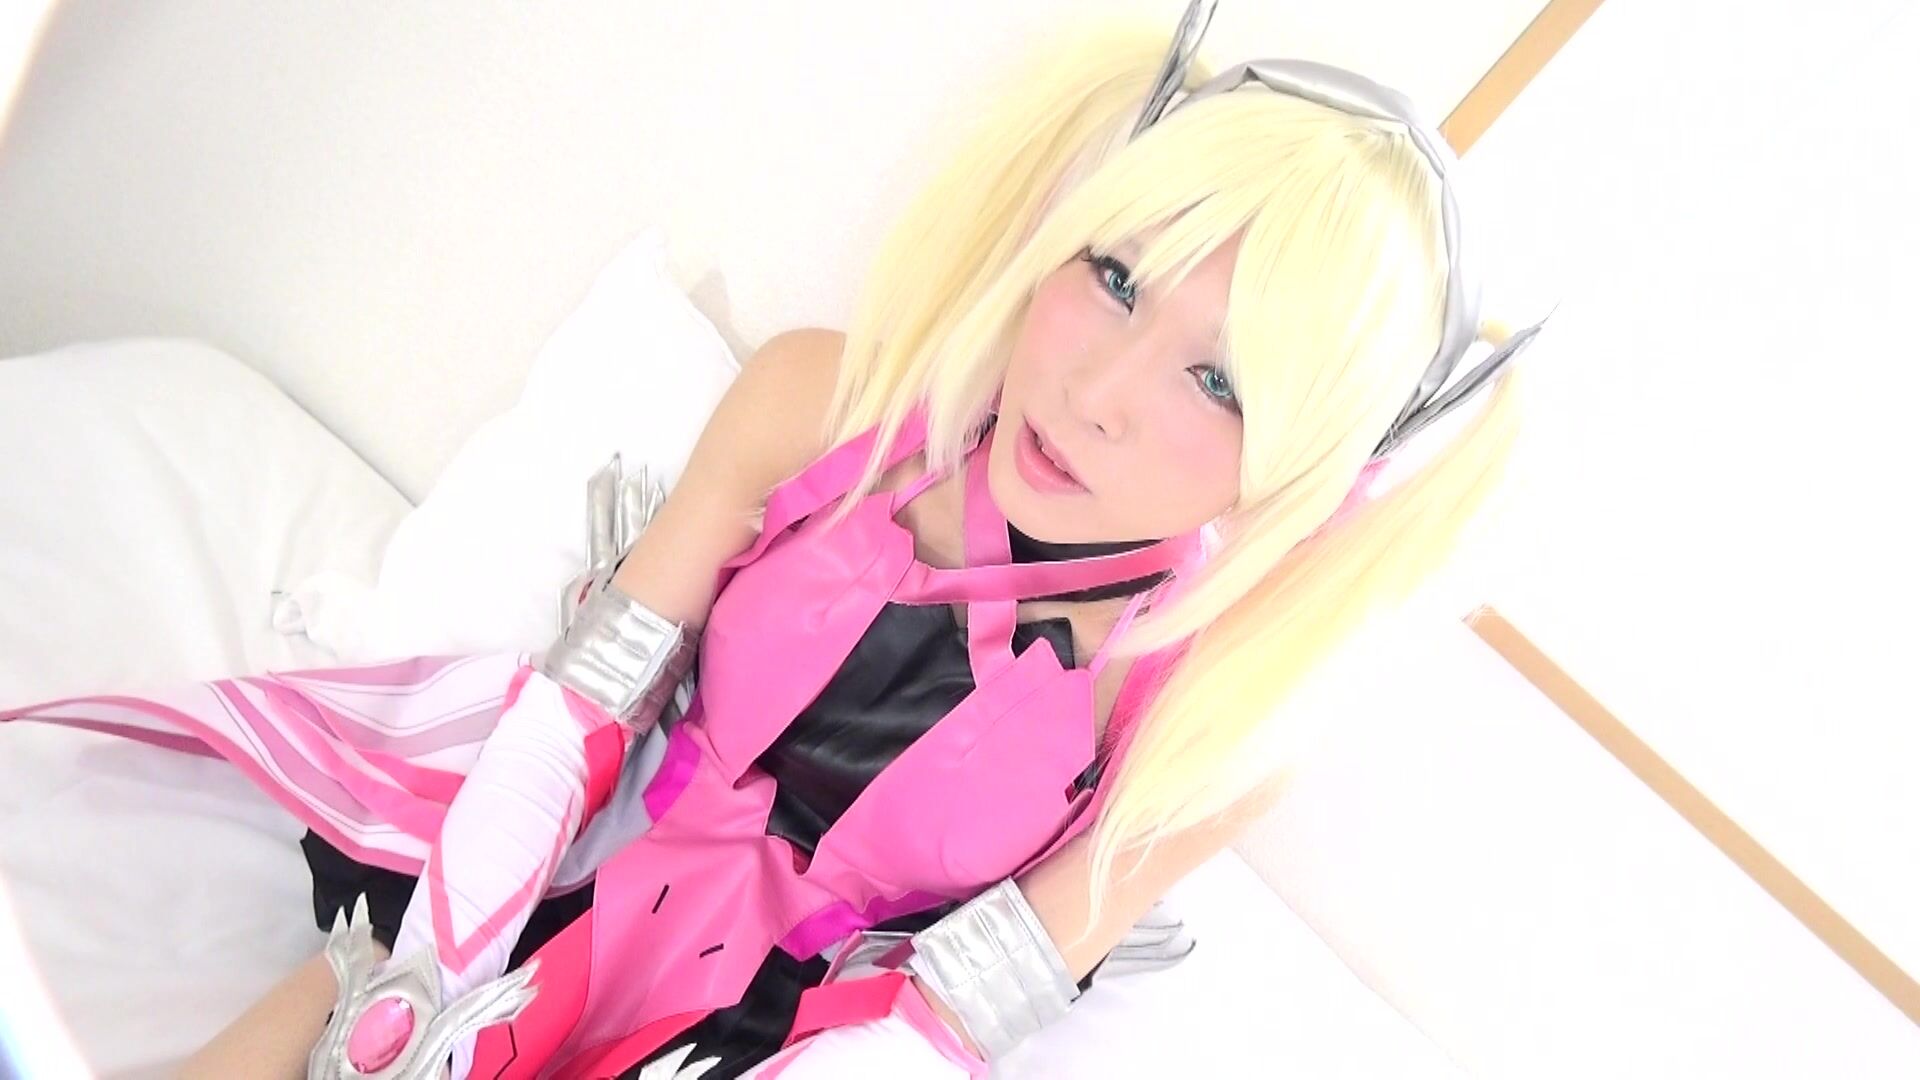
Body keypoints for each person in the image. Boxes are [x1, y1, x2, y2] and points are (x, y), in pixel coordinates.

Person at [2, 2, 1539, 1076]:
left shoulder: (1203, 722)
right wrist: (440, 978)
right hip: (564, 854)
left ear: (1302, 471)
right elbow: (578, 713)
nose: (1099, 388)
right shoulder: (823, 406)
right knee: (351, 1015)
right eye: (1115, 277)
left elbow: (953, 1015)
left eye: (1220, 384)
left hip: (797, 1038)